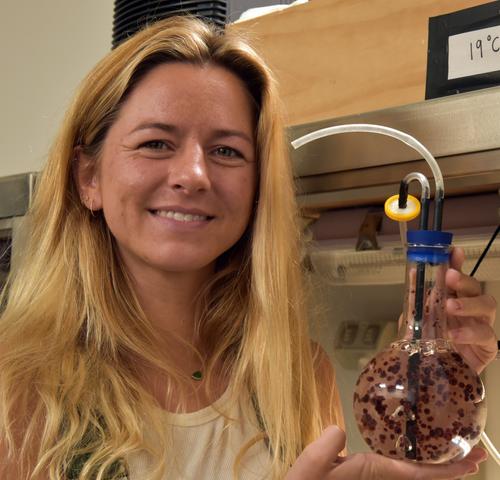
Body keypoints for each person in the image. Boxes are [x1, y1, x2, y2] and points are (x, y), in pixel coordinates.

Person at [0, 15, 497, 480]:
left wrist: (427, 404)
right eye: (155, 143)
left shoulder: (298, 374)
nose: (193, 175)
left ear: (258, 189)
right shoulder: (16, 392)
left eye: (226, 151)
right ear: (89, 178)